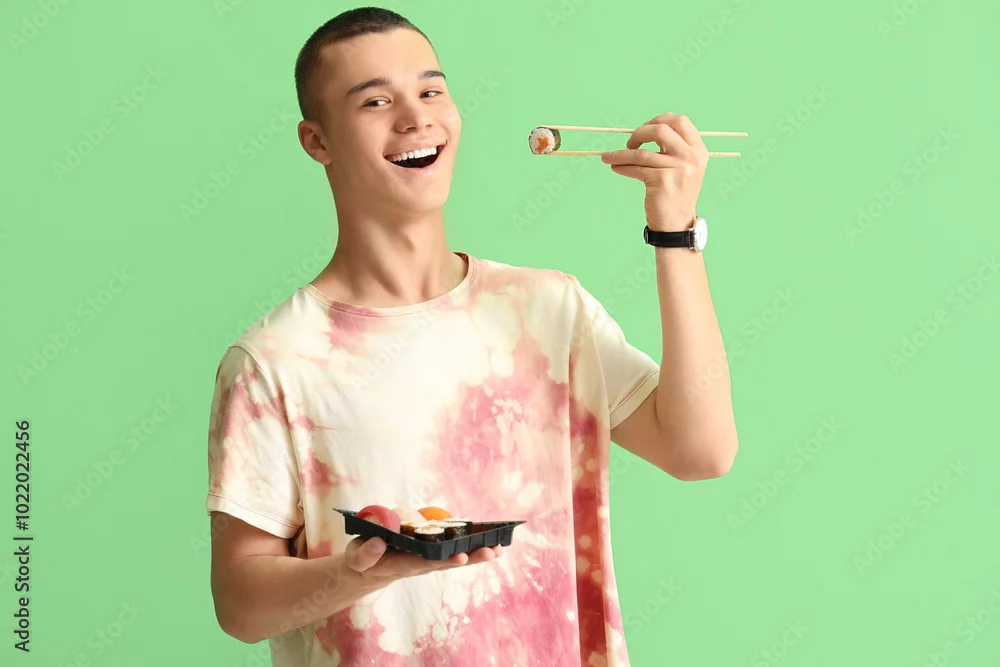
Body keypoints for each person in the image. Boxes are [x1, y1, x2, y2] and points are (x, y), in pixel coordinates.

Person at [204, 6, 738, 666]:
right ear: (317, 141)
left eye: (431, 91)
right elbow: (240, 604)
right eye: (376, 101)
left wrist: (675, 231)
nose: (415, 118)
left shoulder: (547, 309)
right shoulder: (275, 360)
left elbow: (702, 449)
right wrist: (361, 570)